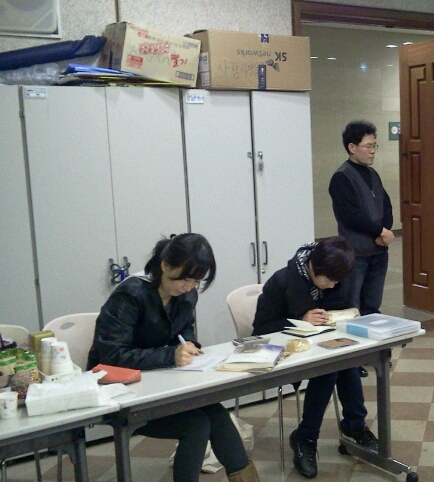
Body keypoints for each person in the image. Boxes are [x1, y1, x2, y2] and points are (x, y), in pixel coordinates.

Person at [87, 233, 258, 482]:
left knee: (217, 413)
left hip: (161, 383)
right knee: (196, 425)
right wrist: (171, 355)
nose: (189, 286)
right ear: (165, 266)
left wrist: (189, 345)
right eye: (185, 279)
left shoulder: (186, 295)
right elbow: (111, 356)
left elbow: (184, 330)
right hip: (120, 392)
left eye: (196, 281)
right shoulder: (131, 295)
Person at [251, 237, 378, 479]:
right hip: (287, 351)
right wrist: (299, 320)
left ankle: (352, 426)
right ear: (314, 267)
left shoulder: (337, 278)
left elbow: (344, 308)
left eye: (337, 282)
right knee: (329, 368)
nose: (333, 286)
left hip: (324, 346)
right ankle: (308, 436)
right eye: (328, 281)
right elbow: (260, 329)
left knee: (345, 362)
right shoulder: (282, 281)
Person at [328, 120, 394, 315]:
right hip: (356, 254)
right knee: (353, 307)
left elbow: (386, 205)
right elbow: (350, 216)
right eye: (368, 146)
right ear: (352, 147)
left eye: (374, 146)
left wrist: (385, 231)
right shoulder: (342, 177)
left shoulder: (373, 174)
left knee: (372, 305)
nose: (372, 151)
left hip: (379, 251)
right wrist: (379, 231)